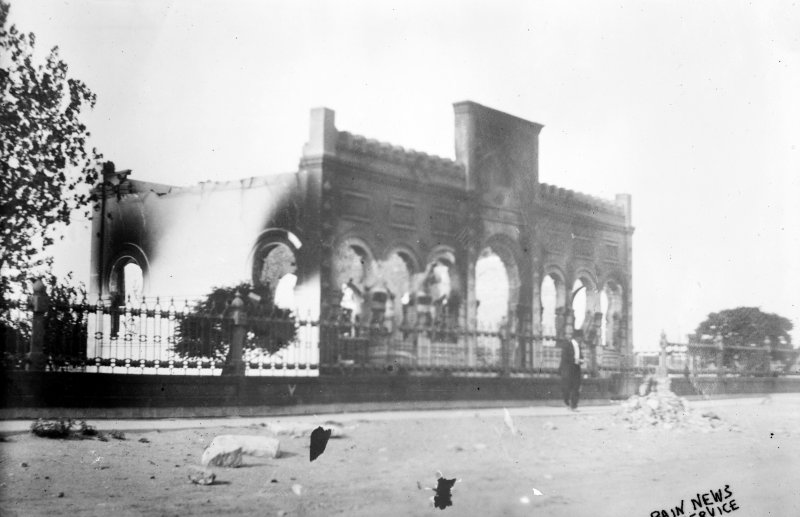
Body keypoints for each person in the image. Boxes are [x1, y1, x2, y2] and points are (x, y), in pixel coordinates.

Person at [559, 329, 584, 411]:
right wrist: (575, 360)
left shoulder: (579, 346)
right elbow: (564, 357)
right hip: (568, 369)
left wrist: (581, 360)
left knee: (576, 387)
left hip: (576, 369)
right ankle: (567, 403)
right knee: (567, 387)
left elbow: (581, 356)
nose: (581, 340)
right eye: (581, 338)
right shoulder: (567, 345)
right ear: (578, 337)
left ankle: (574, 405)